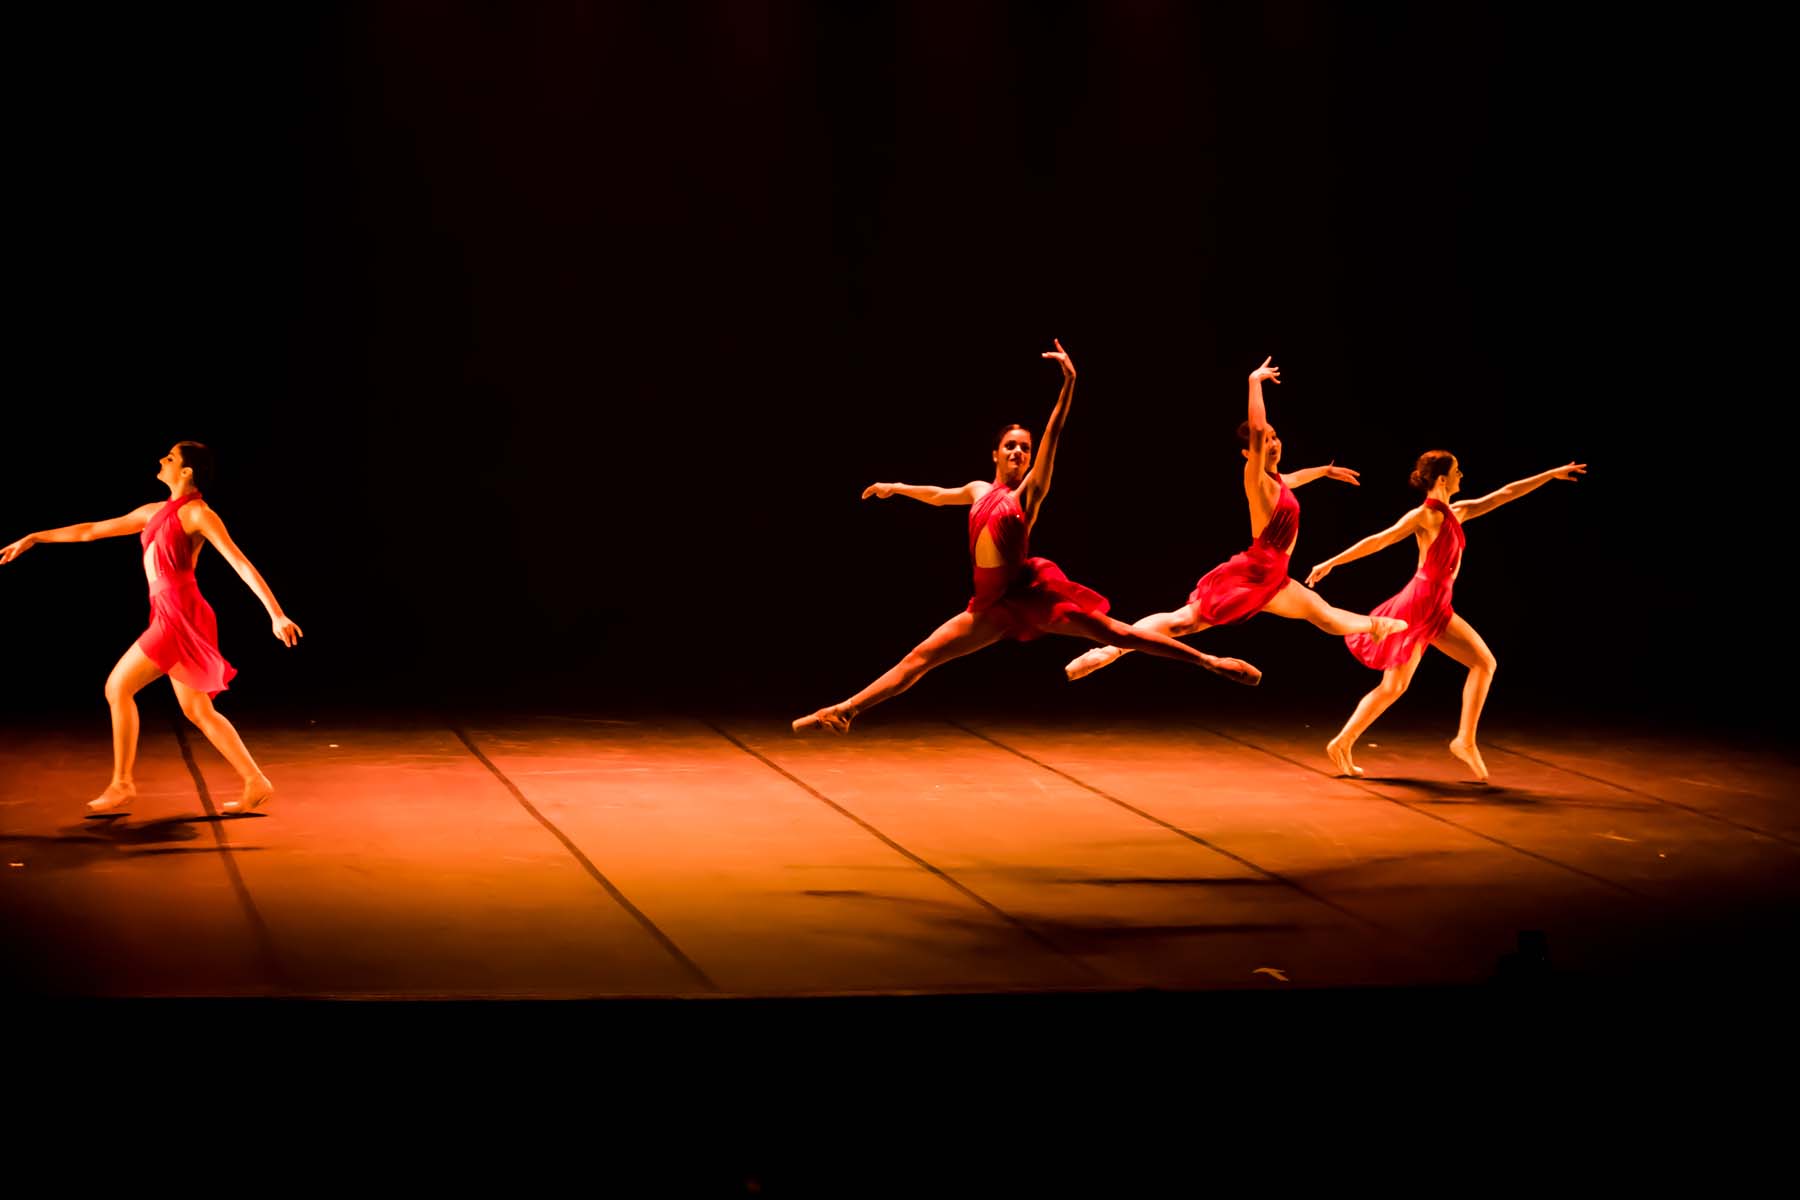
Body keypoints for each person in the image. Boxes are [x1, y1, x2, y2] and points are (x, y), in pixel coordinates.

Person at [793, 340, 1259, 734]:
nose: (1019, 452)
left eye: (1025, 448)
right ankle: (845, 711)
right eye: (1011, 446)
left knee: (1120, 632)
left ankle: (1210, 661)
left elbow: (1054, 436)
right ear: (994, 453)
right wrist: (898, 487)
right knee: (921, 657)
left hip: (1029, 595)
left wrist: (1069, 385)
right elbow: (939, 495)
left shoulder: (1027, 497)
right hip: (989, 605)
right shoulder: (979, 489)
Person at [1, 442, 304, 812]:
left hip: (182, 615)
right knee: (198, 710)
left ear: (187, 471)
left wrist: (276, 613)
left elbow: (239, 563)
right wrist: (36, 537)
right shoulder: (154, 511)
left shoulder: (199, 514)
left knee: (118, 687)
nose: (162, 460)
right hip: (169, 613)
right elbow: (91, 531)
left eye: (171, 458)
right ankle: (256, 781)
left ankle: (122, 784)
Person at [1064, 356, 1405, 681]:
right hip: (1253, 575)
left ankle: (1377, 626)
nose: (1271, 443)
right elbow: (1256, 429)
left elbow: (1296, 477)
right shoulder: (1255, 478)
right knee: (1183, 622)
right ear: (1249, 454)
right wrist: (1254, 382)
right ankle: (1108, 651)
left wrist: (1325, 471)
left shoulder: (1277, 480)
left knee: (1324, 615)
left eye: (1275, 437)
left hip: (1276, 578)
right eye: (1264, 441)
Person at [1304, 451, 1587, 780]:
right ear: (1442, 479)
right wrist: (1331, 562)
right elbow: (1380, 540)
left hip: (1437, 607)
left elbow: (1506, 494)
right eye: (1457, 471)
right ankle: (1346, 742)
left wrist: (1550, 473)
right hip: (1417, 606)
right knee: (1405, 684)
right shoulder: (1424, 516)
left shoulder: (1459, 511)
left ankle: (1462, 740)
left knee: (1467, 668)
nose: (1461, 476)